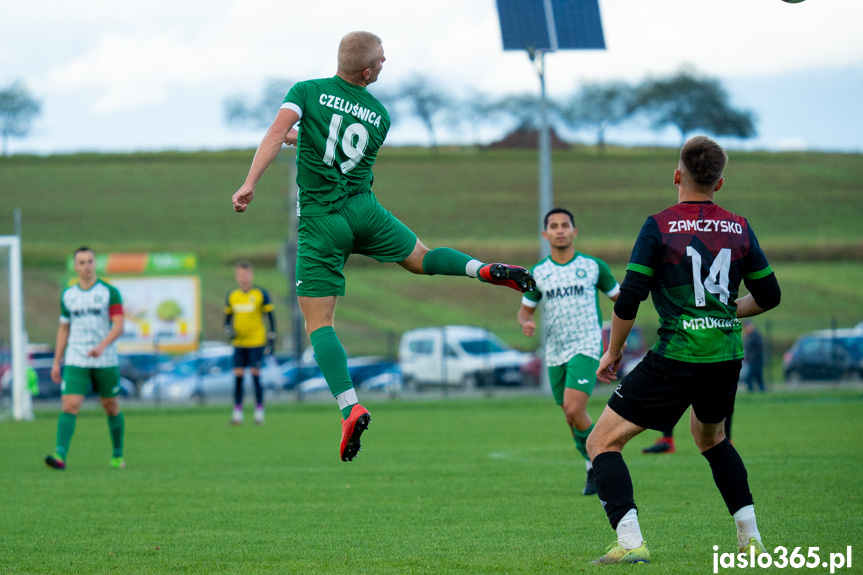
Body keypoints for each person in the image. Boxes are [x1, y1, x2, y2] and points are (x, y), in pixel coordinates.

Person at [231, 31, 535, 462]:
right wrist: (303, 140)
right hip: (364, 211)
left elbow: (275, 132)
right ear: (368, 71)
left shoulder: (306, 91)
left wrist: (249, 184)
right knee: (422, 259)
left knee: (320, 323)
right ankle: (483, 270)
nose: (385, 61)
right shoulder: (379, 115)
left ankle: (349, 406)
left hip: (322, 222)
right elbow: (341, 147)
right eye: (381, 59)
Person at [586, 136, 781, 564]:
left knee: (601, 442)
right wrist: (729, 310)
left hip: (677, 353)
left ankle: (631, 541)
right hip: (725, 356)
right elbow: (769, 294)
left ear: (677, 175)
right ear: (720, 182)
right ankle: (750, 539)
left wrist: (613, 352)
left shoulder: (659, 225)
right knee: (711, 438)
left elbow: (630, 296)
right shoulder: (739, 227)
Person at [517, 207, 619, 496]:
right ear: (545, 234)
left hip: (586, 347)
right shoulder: (538, 273)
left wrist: (617, 342)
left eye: (565, 225)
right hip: (555, 352)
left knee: (576, 409)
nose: (560, 230)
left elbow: (620, 300)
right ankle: (591, 468)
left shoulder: (593, 267)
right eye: (554, 225)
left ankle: (604, 460)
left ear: (574, 232)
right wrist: (526, 323)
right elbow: (525, 311)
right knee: (570, 415)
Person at [45, 247, 126, 471]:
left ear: (95, 264)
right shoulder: (68, 295)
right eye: (81, 262)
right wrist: (56, 360)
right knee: (70, 404)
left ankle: (117, 455)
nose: (86, 266)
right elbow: (63, 328)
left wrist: (102, 346)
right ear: (75, 266)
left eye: (90, 261)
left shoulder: (110, 292)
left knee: (110, 406)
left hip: (105, 358)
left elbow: (119, 325)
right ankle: (59, 455)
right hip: (76, 357)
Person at [224, 260, 276, 425]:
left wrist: (272, 336)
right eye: (240, 274)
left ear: (251, 275)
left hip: (256, 342)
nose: (243, 278)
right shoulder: (233, 296)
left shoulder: (260, 294)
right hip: (239, 343)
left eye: (246, 274)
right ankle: (237, 413)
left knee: (255, 375)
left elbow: (270, 317)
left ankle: (259, 412)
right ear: (236, 276)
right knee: (238, 377)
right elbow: (227, 319)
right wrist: (228, 329)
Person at [742, 320, 765, 392]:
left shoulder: (756, 335)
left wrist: (752, 357)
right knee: (758, 378)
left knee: (749, 378)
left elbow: (759, 348)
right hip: (751, 361)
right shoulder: (748, 336)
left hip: (756, 361)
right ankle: (761, 391)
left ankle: (751, 391)